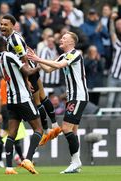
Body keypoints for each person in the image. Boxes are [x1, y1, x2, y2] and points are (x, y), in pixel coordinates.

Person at [27, 31, 89, 173]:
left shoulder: (75, 53)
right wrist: (36, 59)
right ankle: (75, 163)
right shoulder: (63, 55)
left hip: (78, 96)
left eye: (64, 38)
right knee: (73, 130)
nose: (61, 39)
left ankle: (75, 161)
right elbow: (49, 69)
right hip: (73, 96)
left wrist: (38, 58)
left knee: (66, 128)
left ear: (71, 43)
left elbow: (60, 65)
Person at [0, 14, 61, 145]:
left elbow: (23, 59)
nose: (2, 26)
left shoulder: (13, 41)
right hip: (32, 69)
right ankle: (54, 125)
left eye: (5, 24)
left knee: (37, 102)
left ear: (12, 25)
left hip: (29, 72)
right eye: (1, 24)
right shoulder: (15, 36)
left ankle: (46, 130)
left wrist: (26, 79)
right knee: (43, 97)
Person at [0, 36, 43, 175]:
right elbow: (27, 71)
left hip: (11, 100)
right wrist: (40, 65)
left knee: (11, 134)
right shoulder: (9, 55)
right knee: (39, 129)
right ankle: (28, 159)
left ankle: (9, 167)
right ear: (5, 44)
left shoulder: (0, 58)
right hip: (23, 98)